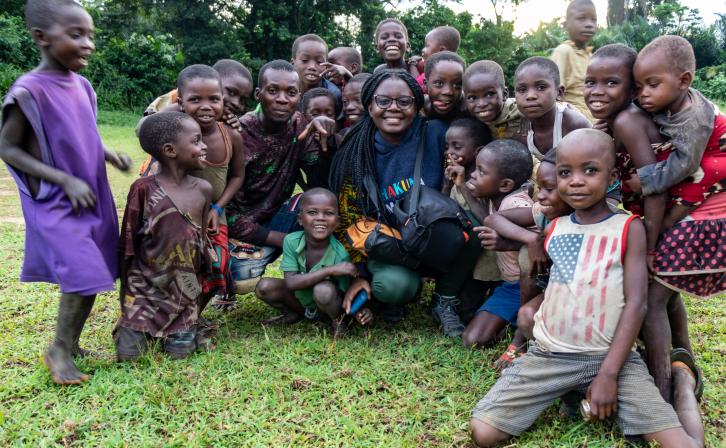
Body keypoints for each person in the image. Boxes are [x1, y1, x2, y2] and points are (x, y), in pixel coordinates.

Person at [470, 129, 705, 448]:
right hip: (549, 355)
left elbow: (636, 304)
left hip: (612, 359)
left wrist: (608, 374)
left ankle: (682, 383)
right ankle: (576, 390)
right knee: (483, 432)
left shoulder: (628, 227)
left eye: (590, 170)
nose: (576, 181)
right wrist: (531, 240)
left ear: (611, 176)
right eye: (566, 173)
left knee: (684, 445)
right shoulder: (554, 226)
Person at [0, 0, 131, 385]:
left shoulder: (84, 86)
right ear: (42, 38)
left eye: (90, 35)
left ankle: (71, 343)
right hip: (57, 199)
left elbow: (83, 133)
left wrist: (108, 154)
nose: (87, 43)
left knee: (95, 270)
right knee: (82, 270)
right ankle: (58, 349)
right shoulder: (29, 91)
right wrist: (62, 180)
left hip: (90, 194)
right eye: (76, 35)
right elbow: (7, 148)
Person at [329, 69, 482, 336]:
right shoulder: (355, 152)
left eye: (404, 101)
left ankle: (444, 299)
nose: (393, 109)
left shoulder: (437, 134)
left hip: (435, 233)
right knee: (394, 286)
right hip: (392, 245)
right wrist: (361, 274)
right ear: (369, 105)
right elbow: (348, 221)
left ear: (417, 106)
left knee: (476, 229)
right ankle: (400, 292)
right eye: (383, 101)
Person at [632, 36, 725, 402]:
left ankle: (662, 387)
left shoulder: (693, 118)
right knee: (666, 290)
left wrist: (645, 181)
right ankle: (683, 360)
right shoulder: (669, 105)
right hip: (702, 189)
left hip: (710, 191)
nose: (644, 95)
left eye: (653, 85)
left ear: (684, 81)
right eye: (639, 87)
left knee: (653, 298)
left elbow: (685, 166)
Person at [226, 60, 336, 291]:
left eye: (291, 92)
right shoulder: (238, 133)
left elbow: (320, 183)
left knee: (320, 207)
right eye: (273, 91)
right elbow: (228, 215)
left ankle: (315, 291)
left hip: (277, 214)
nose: (282, 99)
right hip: (239, 226)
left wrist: (327, 139)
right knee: (240, 277)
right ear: (259, 94)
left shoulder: (300, 125)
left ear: (299, 96)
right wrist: (287, 241)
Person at [115, 111, 212, 361]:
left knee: (179, 355)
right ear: (170, 150)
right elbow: (128, 243)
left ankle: (187, 326)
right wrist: (127, 299)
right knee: (130, 357)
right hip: (143, 293)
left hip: (183, 294)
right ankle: (128, 325)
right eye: (196, 141)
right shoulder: (143, 189)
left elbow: (200, 241)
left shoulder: (203, 190)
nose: (204, 146)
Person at [482, 151, 573, 370]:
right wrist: (531, 239)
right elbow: (492, 218)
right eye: (540, 188)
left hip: (576, 299)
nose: (540, 196)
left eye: (549, 189)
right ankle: (520, 340)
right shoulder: (542, 212)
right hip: (546, 290)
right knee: (527, 255)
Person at [175, 65, 246, 311]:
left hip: (215, 215)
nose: (206, 106)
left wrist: (218, 207)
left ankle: (193, 315)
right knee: (180, 267)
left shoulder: (231, 136)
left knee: (217, 265)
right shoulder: (172, 133)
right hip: (178, 215)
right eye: (195, 99)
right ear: (180, 101)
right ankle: (175, 313)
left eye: (214, 99)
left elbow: (237, 176)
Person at [255, 188, 372, 336]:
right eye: (312, 212)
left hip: (327, 304)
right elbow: (290, 282)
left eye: (328, 213)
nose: (320, 218)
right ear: (300, 219)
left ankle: (338, 322)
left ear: (337, 222)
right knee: (264, 286)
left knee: (323, 290)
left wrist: (359, 311)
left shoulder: (340, 254)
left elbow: (345, 293)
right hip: (301, 301)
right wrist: (330, 270)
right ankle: (293, 314)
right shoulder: (291, 241)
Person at [459, 140, 534, 348]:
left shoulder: (518, 204)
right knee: (470, 333)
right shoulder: (496, 197)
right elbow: (487, 218)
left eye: (481, 172)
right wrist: (462, 187)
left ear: (505, 185)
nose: (473, 174)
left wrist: (507, 244)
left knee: (475, 340)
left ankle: (521, 323)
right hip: (508, 284)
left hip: (528, 287)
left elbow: (545, 244)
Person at [440, 118, 498, 323]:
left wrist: (463, 185)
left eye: (457, 146)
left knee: (471, 310)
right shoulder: (451, 172)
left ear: (478, 151)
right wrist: (448, 185)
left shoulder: (486, 180)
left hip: (486, 264)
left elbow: (486, 219)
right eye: (447, 146)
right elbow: (442, 206)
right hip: (461, 257)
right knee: (465, 309)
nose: (449, 152)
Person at [513, 57, 590, 160]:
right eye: (522, 90)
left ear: (559, 92)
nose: (530, 96)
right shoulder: (521, 133)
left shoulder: (574, 124)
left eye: (541, 87)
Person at [550, 0, 597, 122]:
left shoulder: (591, 56)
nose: (589, 24)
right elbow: (554, 95)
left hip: (596, 117)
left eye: (593, 19)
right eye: (581, 19)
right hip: (574, 122)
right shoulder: (564, 51)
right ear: (566, 24)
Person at [463, 60, 522, 140]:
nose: (481, 104)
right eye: (472, 98)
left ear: (505, 94)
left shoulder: (522, 112)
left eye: (489, 94)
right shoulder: (469, 119)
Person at [291, 34, 341, 107]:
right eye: (305, 60)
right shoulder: (283, 89)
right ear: (293, 63)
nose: (312, 67)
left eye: (319, 62)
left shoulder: (333, 94)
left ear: (326, 66)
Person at [423, 51, 467, 123]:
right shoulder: (419, 107)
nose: (448, 92)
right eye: (439, 83)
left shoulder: (468, 111)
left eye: (457, 84)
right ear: (425, 84)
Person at [415, 25, 462, 91]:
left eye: (427, 46)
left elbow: (414, 86)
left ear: (442, 51)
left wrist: (412, 64)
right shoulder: (459, 72)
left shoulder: (432, 74)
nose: (423, 49)